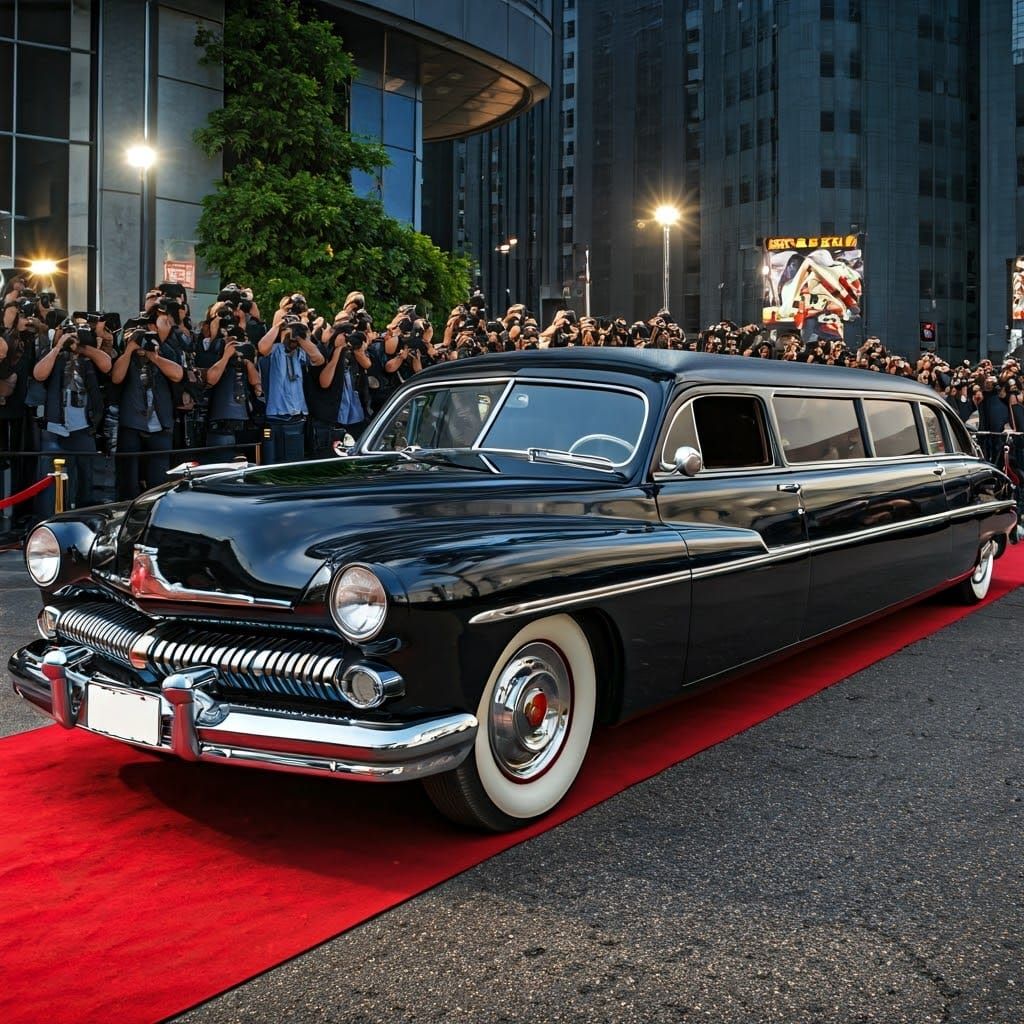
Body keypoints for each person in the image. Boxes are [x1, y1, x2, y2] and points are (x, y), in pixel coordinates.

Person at [31, 319, 111, 515]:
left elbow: (107, 365)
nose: (68, 335)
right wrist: (58, 347)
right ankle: (49, 517)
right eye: (64, 331)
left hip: (83, 427)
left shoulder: (87, 358)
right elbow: (39, 374)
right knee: (51, 483)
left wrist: (81, 347)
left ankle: (84, 518)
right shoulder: (50, 355)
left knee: (85, 480)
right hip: (55, 428)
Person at [111, 313, 185, 499]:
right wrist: (130, 350)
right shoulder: (125, 356)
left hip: (160, 424)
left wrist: (154, 356)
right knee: (128, 479)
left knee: (159, 480)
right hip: (132, 424)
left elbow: (178, 374)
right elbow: (116, 377)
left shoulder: (165, 351)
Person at [256, 299, 325, 462]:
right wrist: (279, 326)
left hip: (297, 416)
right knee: (273, 461)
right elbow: (262, 347)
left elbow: (319, 359)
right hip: (275, 415)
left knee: (293, 461)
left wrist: (301, 336)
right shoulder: (275, 350)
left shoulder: (300, 352)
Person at [309, 324, 371, 457]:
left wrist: (358, 350)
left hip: (353, 415)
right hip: (329, 416)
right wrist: (338, 350)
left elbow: (367, 365)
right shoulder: (323, 350)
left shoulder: (351, 352)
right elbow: (324, 382)